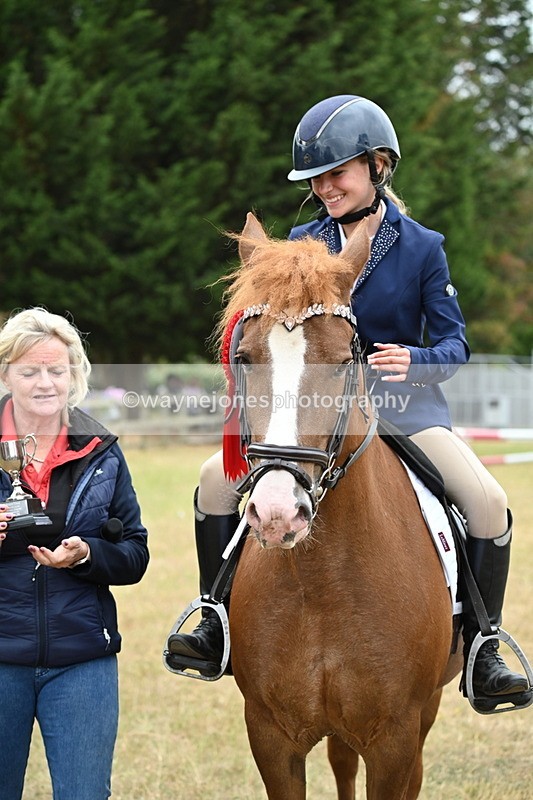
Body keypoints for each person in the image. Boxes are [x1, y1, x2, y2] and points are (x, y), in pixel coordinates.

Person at [167, 95, 530, 707]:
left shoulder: (421, 246)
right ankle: (214, 616)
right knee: (212, 481)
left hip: (404, 412)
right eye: (317, 177)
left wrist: (417, 361)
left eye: (336, 172)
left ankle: (482, 644)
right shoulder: (298, 245)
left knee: (488, 502)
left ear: (379, 165)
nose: (325, 186)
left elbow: (455, 343)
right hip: (311, 416)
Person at [0, 307, 149, 800]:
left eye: (56, 370)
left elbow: (135, 553)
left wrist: (87, 555)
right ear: (6, 375)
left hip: (82, 660)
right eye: (29, 371)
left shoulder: (102, 451)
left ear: (74, 374)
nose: (45, 383)